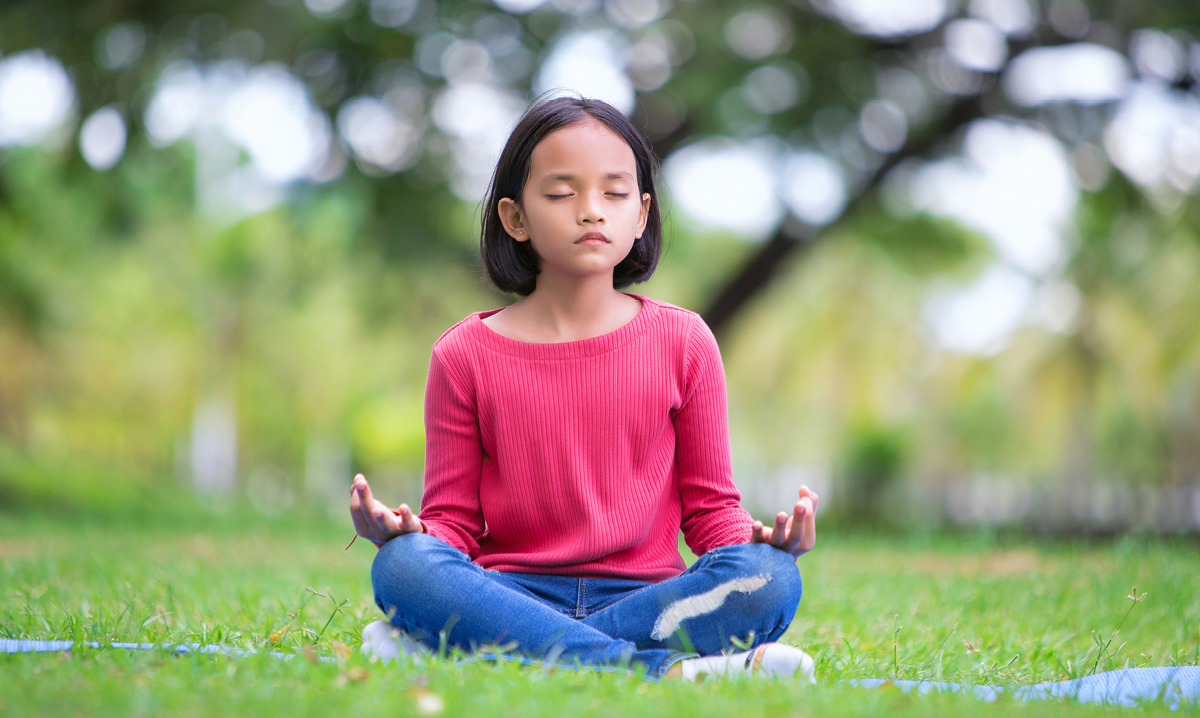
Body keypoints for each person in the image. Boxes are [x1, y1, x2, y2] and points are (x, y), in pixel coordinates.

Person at [349, 95, 820, 682]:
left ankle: (483, 652)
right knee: (404, 569)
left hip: (653, 604)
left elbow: (711, 512)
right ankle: (670, 671)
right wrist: (411, 534)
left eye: (615, 193)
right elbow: (453, 525)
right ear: (514, 217)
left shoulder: (685, 340)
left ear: (642, 215)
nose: (592, 211)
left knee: (770, 578)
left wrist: (765, 541)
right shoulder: (462, 354)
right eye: (561, 193)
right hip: (511, 596)